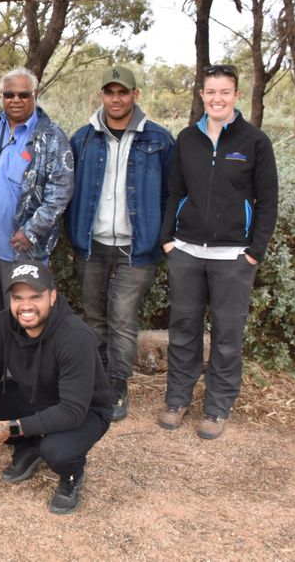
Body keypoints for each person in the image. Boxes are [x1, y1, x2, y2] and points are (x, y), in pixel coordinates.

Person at [157, 64, 278, 440]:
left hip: (234, 258)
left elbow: (268, 202)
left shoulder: (254, 141)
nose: (217, 98)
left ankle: (217, 406)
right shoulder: (187, 138)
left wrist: (254, 252)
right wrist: (169, 241)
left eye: (224, 92)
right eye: (210, 92)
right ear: (202, 95)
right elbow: (174, 192)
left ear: (236, 95)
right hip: (187, 252)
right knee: (183, 331)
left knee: (226, 335)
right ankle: (177, 400)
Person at [0, 261, 110, 515]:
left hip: (84, 411)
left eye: (35, 296)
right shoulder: (3, 323)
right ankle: (27, 446)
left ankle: (72, 474)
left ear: (52, 296)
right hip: (34, 396)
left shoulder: (75, 337)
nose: (26, 306)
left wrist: (10, 428)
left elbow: (72, 411)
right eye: (18, 298)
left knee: (57, 451)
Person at [66, 66, 174, 421]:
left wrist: (161, 238)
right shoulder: (83, 138)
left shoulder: (158, 139)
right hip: (91, 244)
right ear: (102, 95)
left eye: (123, 92)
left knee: (123, 320)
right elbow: (70, 191)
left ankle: (116, 388)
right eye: (110, 92)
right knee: (95, 319)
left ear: (135, 95)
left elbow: (170, 195)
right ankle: (97, 382)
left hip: (136, 248)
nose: (116, 99)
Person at [0, 67, 74, 382]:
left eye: (24, 94)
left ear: (35, 96)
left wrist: (32, 230)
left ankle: (17, 369)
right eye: (9, 94)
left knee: (22, 307)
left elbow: (60, 193)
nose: (16, 100)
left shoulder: (51, 137)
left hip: (21, 244)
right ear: (2, 97)